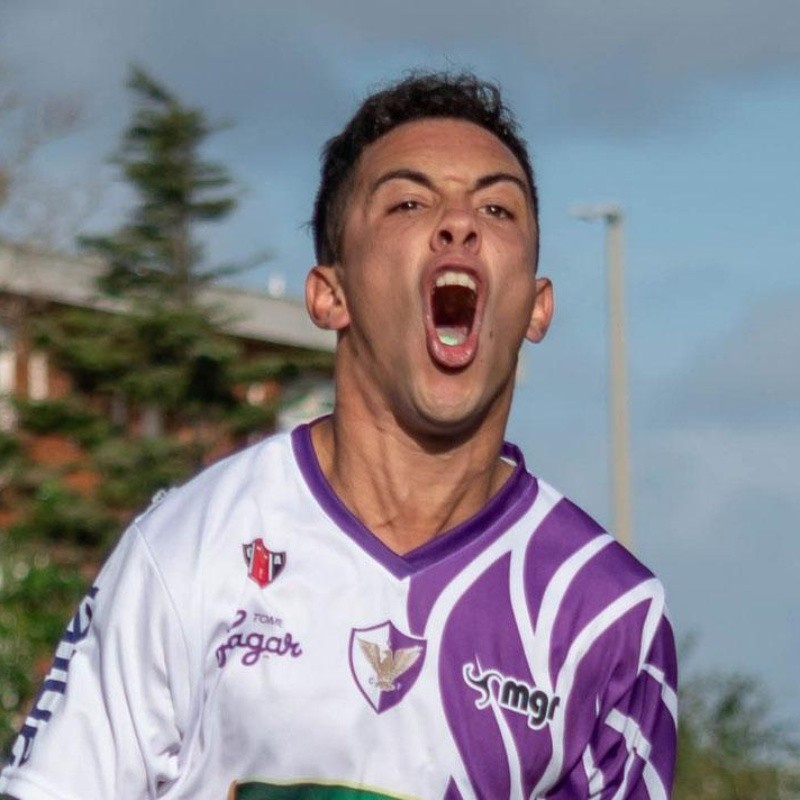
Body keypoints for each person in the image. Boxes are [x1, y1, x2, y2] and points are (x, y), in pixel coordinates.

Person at [0, 71, 677, 800]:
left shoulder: (606, 613)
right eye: (410, 202)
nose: (460, 223)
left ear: (537, 307)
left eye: (497, 207)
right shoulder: (189, 544)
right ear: (330, 294)